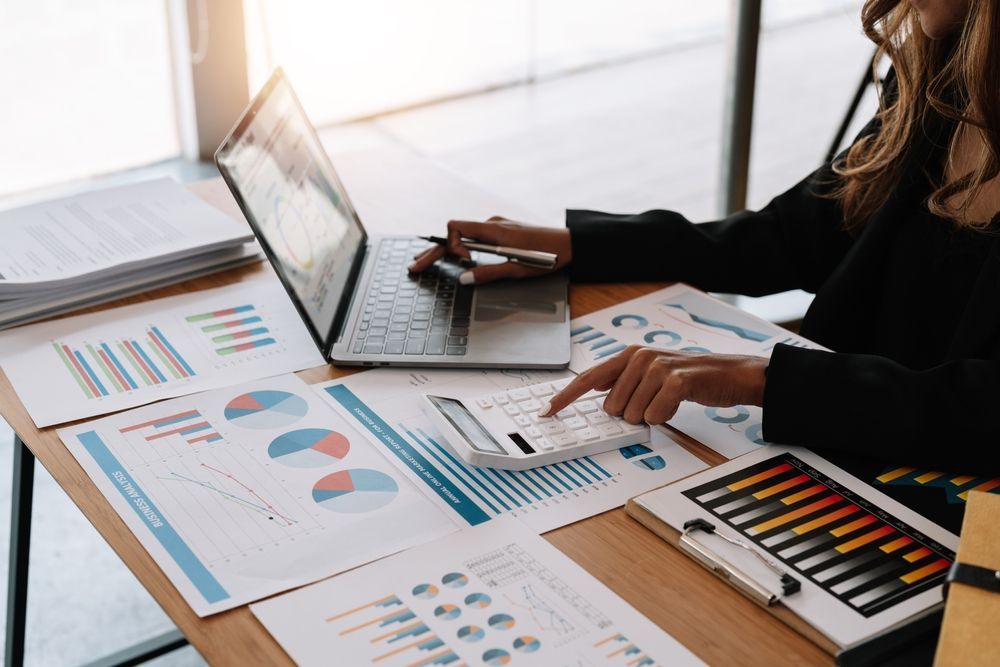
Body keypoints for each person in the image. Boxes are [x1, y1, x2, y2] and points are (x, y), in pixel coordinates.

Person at [409, 0, 1000, 473]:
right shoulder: (941, 80)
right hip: (834, 458)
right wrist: (580, 245)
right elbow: (791, 238)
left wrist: (761, 379)